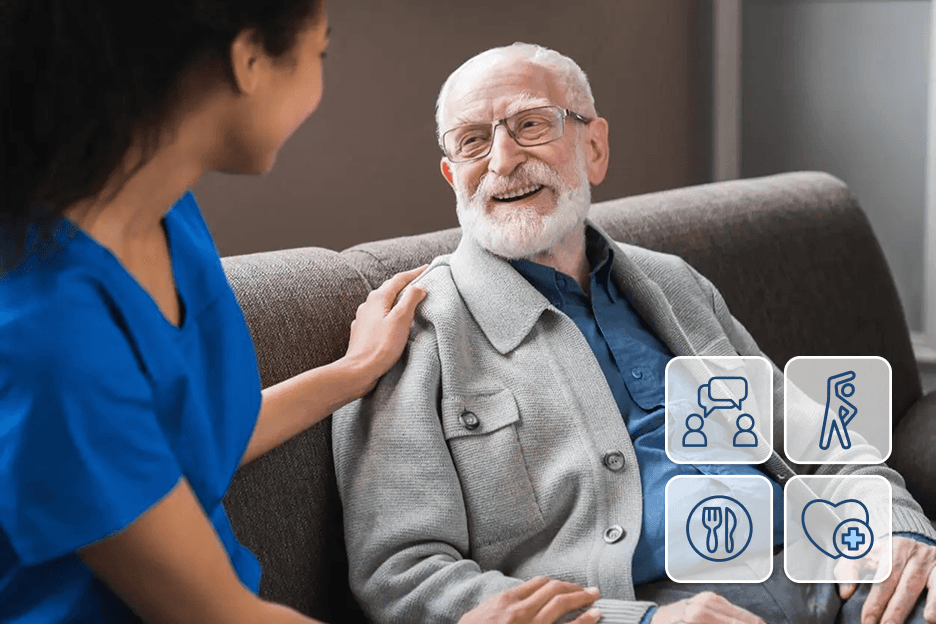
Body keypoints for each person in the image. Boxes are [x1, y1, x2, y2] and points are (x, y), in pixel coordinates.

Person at [331, 42, 936, 624]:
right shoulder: (412, 333)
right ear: (451, 175)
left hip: (834, 569)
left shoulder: (674, 284)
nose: (501, 160)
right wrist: (636, 619)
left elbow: (815, 445)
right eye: (472, 142)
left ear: (594, 146)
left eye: (531, 126)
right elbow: (404, 576)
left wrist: (898, 525)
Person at [0, 1, 451, 622]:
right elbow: (222, 614)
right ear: (249, 61)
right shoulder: (47, 332)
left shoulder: (164, 209)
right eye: (319, 53)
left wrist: (354, 371)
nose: (320, 84)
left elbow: (180, 440)